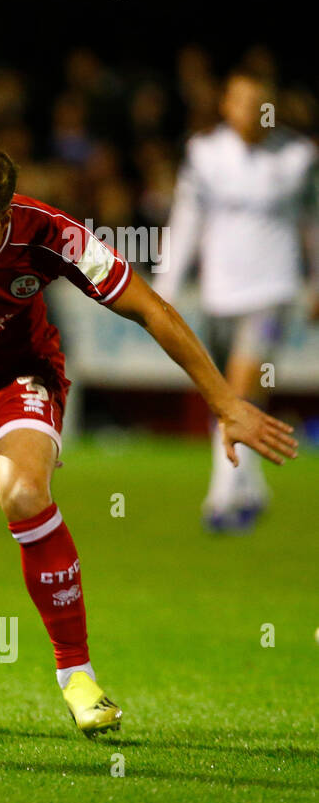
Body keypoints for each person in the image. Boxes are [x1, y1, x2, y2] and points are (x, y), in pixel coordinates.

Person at [0, 138, 297, 736]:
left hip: (15, 380)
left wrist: (226, 403)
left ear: (3, 218)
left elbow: (150, 308)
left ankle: (77, 674)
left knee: (24, 494)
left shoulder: (50, 235)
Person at [155, 67, 319, 532]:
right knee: (224, 395)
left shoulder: (298, 157)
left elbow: (314, 223)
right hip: (218, 294)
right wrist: (166, 286)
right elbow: (186, 219)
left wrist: (317, 283)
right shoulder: (204, 155)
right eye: (243, 102)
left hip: (273, 292)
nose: (253, 113)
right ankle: (254, 487)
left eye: (261, 103)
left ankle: (221, 499)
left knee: (241, 389)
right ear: (227, 106)